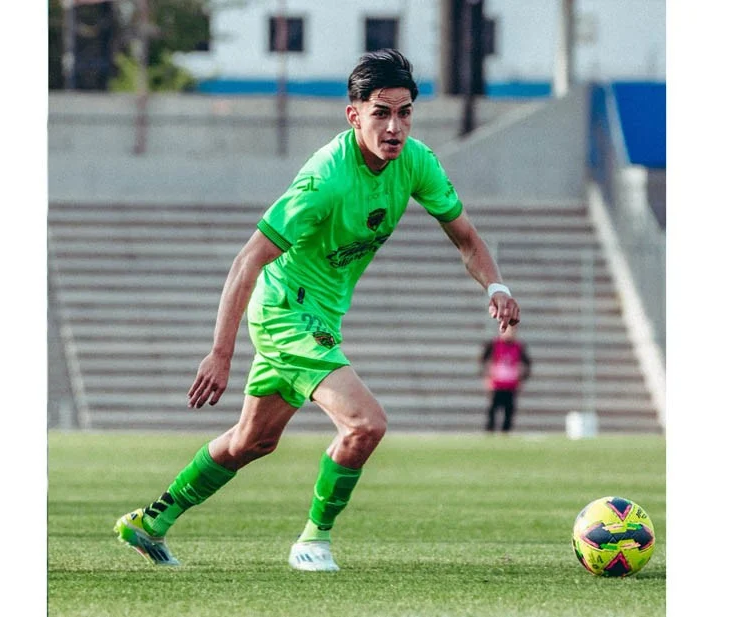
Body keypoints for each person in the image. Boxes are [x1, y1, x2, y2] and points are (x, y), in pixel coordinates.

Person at [114, 48, 521, 572]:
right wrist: (220, 353)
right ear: (354, 115)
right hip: (285, 312)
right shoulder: (325, 178)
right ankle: (313, 541)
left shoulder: (416, 162)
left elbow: (466, 238)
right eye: (380, 113)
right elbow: (247, 260)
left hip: (320, 316)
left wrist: (495, 286)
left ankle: (150, 522)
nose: (394, 127)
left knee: (252, 442)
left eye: (404, 113)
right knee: (365, 424)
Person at [480, 324, 531, 432]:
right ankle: (490, 431)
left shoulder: (519, 347)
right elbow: (483, 361)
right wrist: (487, 378)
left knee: (509, 411)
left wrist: (522, 379)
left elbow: (527, 365)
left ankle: (506, 433)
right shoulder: (494, 344)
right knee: (493, 409)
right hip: (497, 384)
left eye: (511, 331)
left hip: (511, 385)